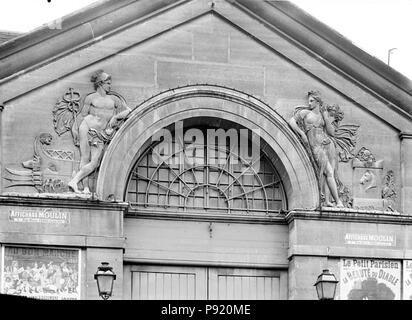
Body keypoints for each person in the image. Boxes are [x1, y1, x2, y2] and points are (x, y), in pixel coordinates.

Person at [68, 70, 131, 193]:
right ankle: (85, 187)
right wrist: (74, 129)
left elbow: (127, 111)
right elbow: (82, 115)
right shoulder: (90, 98)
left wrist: (116, 117)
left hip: (101, 133)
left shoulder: (114, 99)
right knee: (85, 158)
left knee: (95, 161)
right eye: (108, 83)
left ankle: (75, 181)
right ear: (101, 83)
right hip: (86, 127)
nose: (110, 85)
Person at [289, 90, 344, 207]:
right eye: (309, 101)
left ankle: (328, 201)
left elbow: (331, 132)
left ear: (318, 102)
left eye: (312, 101)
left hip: (327, 145)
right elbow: (292, 121)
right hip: (316, 147)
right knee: (328, 171)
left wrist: (325, 116)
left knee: (329, 173)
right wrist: (302, 133)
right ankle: (338, 201)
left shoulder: (322, 116)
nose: (309, 103)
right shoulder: (305, 113)